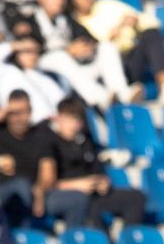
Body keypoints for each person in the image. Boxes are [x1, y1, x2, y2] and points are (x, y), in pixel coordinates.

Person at [0, 91, 86, 228]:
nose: (19, 118)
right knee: (20, 185)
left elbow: (48, 174)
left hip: (34, 194)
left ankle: (73, 242)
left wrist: (40, 190)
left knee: (77, 199)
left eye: (24, 112)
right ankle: (23, 234)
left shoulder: (41, 135)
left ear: (30, 112)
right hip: (0, 191)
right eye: (14, 113)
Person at [43, 97, 145, 230]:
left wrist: (103, 181)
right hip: (71, 194)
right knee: (86, 204)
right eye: (70, 119)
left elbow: (97, 167)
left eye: (78, 120)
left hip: (94, 192)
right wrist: (77, 185)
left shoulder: (86, 140)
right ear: (59, 118)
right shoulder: (48, 143)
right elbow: (47, 184)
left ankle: (127, 240)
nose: (74, 125)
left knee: (136, 198)